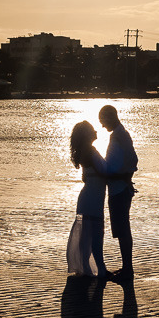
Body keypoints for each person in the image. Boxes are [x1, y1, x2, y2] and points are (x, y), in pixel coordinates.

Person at [99, 105, 138, 282]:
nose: (102, 126)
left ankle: (128, 269)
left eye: (103, 121)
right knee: (122, 229)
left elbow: (125, 163)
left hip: (119, 189)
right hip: (121, 187)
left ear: (110, 118)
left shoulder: (119, 136)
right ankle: (127, 267)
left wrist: (106, 173)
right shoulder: (122, 134)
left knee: (122, 229)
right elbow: (133, 160)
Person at [67, 120, 110, 279]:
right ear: (87, 135)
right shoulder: (90, 151)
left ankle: (90, 270)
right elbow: (104, 171)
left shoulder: (87, 151)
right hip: (92, 199)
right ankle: (100, 270)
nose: (96, 131)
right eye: (92, 129)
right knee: (95, 237)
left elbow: (87, 176)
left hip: (90, 197)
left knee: (89, 238)